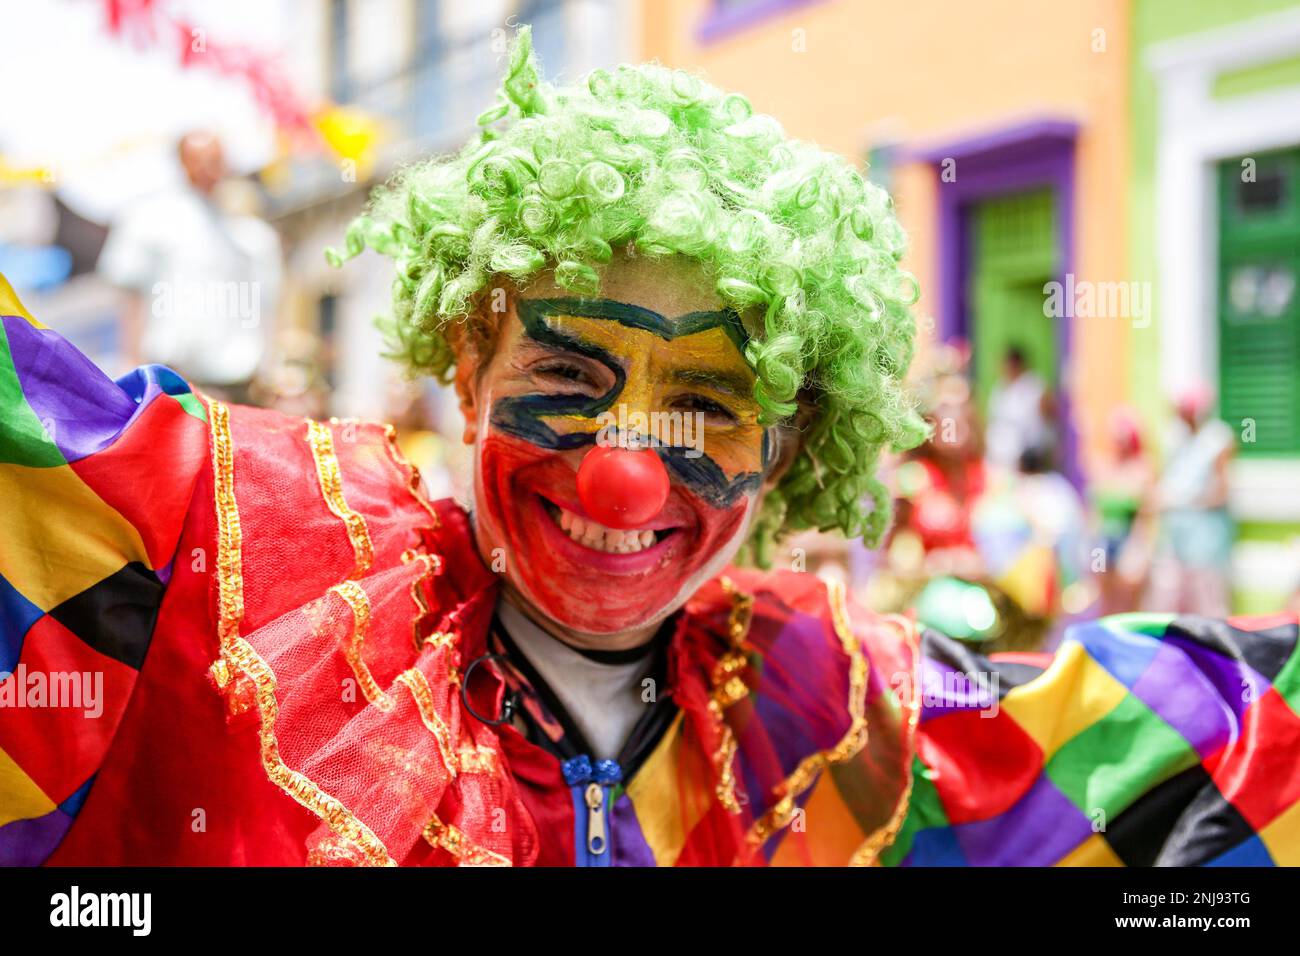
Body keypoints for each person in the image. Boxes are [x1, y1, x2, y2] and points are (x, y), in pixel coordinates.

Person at [2, 31, 1297, 867]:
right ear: (469, 368)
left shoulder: (833, 711)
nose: (626, 470)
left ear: (787, 450)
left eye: (705, 407)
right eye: (565, 374)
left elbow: (1197, 746)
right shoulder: (234, 564)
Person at [97, 130, 281, 402]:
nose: (210, 168)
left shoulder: (247, 233)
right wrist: (132, 367)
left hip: (237, 381)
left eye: (216, 160)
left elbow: (266, 306)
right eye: (201, 159)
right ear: (183, 162)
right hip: (175, 380)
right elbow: (131, 299)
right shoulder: (149, 219)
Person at [1147, 384, 1236, 617]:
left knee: (1207, 604)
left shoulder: (1218, 438)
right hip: (1176, 537)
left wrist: (1180, 501)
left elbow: (1221, 493)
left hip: (1205, 539)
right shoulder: (1178, 439)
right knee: (1168, 601)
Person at [985, 343, 1053, 471]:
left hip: (1027, 457)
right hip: (999, 457)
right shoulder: (1000, 388)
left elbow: (1049, 419)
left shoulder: (1035, 386)